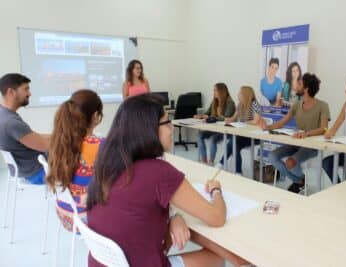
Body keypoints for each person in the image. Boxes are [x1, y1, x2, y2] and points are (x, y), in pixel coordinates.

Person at [86, 94, 250, 267]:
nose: (172, 128)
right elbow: (216, 217)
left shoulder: (107, 165)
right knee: (216, 258)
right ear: (149, 129)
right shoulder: (159, 172)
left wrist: (174, 217)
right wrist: (216, 191)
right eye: (167, 123)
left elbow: (140, 209)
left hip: (106, 262)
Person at [260, 73, 330, 193]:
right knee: (272, 156)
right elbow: (282, 122)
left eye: (300, 83)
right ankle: (300, 180)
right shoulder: (297, 105)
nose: (297, 86)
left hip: (310, 146)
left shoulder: (323, 106)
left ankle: (298, 182)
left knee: (290, 162)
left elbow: (324, 128)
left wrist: (306, 134)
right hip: (295, 142)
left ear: (306, 88)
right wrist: (267, 127)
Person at [47, 89, 104, 231]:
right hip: (85, 220)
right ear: (96, 116)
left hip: (65, 215)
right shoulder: (100, 145)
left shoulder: (59, 142)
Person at [0, 73, 49, 184]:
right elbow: (46, 146)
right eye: (26, 89)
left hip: (25, 170)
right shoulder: (11, 122)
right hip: (38, 172)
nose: (29, 93)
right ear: (11, 92)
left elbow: (33, 136)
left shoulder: (3, 114)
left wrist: (59, 135)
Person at [217, 86, 262, 174]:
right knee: (234, 144)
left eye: (240, 93)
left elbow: (256, 121)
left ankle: (221, 163)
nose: (238, 94)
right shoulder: (240, 105)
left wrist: (245, 123)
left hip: (254, 136)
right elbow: (233, 118)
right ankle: (237, 171)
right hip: (242, 135)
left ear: (245, 94)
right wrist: (227, 120)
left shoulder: (254, 104)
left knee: (233, 142)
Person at [194, 83, 235, 164]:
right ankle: (204, 160)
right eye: (214, 90)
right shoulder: (214, 102)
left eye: (215, 90)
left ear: (221, 91)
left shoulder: (230, 102)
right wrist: (201, 116)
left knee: (213, 139)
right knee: (199, 136)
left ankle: (211, 161)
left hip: (226, 129)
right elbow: (207, 113)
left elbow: (226, 118)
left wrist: (211, 118)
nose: (214, 92)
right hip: (214, 128)